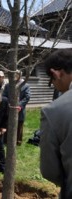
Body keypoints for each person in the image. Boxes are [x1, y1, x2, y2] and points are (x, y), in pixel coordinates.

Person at [40, 49, 72, 198]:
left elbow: (50, 171)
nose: (53, 85)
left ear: (56, 73)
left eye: (51, 80)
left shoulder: (53, 111)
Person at [3, 71, 31, 146]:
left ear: (20, 76)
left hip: (20, 109)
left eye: (17, 75)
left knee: (19, 124)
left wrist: (19, 105)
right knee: (7, 124)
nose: (15, 76)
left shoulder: (25, 85)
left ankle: (18, 141)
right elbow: (4, 95)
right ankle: (6, 140)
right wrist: (8, 103)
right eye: (14, 75)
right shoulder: (8, 85)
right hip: (9, 108)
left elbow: (27, 97)